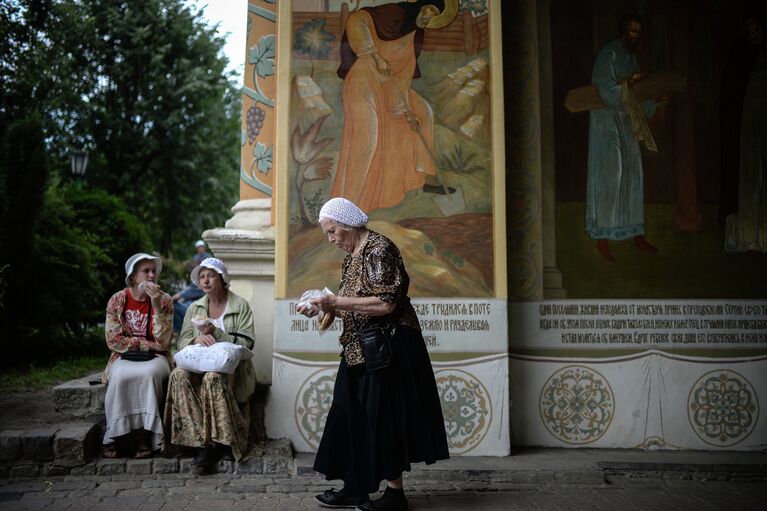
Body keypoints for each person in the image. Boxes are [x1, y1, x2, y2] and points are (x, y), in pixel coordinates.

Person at [297, 198, 449, 511]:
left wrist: (334, 302)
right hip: (358, 348)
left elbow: (386, 303)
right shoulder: (352, 256)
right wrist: (320, 307)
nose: (331, 238)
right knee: (348, 413)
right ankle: (355, 487)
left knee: (383, 417)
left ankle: (395, 495)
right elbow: (352, 307)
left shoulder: (380, 249)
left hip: (387, 348)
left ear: (348, 225)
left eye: (332, 231)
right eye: (328, 233)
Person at [331, 0, 458, 213]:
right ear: (420, 5)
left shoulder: (415, 34)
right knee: (367, 142)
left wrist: (405, 112)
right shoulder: (395, 14)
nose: (428, 17)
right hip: (364, 81)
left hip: (389, 88)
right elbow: (356, 20)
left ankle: (428, 180)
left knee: (423, 111)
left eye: (434, 15)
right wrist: (373, 55)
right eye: (429, 10)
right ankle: (347, 205)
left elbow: (403, 76)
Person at [163, 257, 256, 474]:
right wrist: (196, 340)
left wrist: (216, 332)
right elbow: (182, 340)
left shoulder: (240, 305)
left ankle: (222, 441)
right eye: (202, 276)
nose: (205, 280)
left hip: (232, 370)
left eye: (210, 275)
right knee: (178, 375)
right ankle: (200, 443)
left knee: (212, 377)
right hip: (198, 365)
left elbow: (247, 344)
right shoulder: (194, 307)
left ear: (222, 278)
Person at [586, 15, 660, 262]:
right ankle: (603, 239)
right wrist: (629, 83)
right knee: (612, 174)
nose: (635, 36)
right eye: (632, 31)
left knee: (634, 174)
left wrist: (655, 102)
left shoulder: (632, 58)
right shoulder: (609, 54)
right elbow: (605, 89)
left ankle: (637, 235)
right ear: (623, 32)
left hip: (626, 120)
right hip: (606, 121)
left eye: (639, 32)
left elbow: (637, 95)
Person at [102, 253, 173, 459]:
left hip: (158, 358)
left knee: (149, 374)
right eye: (146, 271)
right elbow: (113, 340)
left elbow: (164, 341)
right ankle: (114, 434)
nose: (151, 275)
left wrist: (156, 304)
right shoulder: (117, 300)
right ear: (133, 277)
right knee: (120, 376)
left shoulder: (165, 300)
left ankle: (144, 435)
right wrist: (145, 344)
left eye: (154, 271)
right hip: (123, 357)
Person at [725, 12, 766, 253]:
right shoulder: (740, 53)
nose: (754, 32)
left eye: (757, 27)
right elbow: (733, 92)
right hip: (747, 123)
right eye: (749, 28)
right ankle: (747, 237)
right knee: (750, 175)